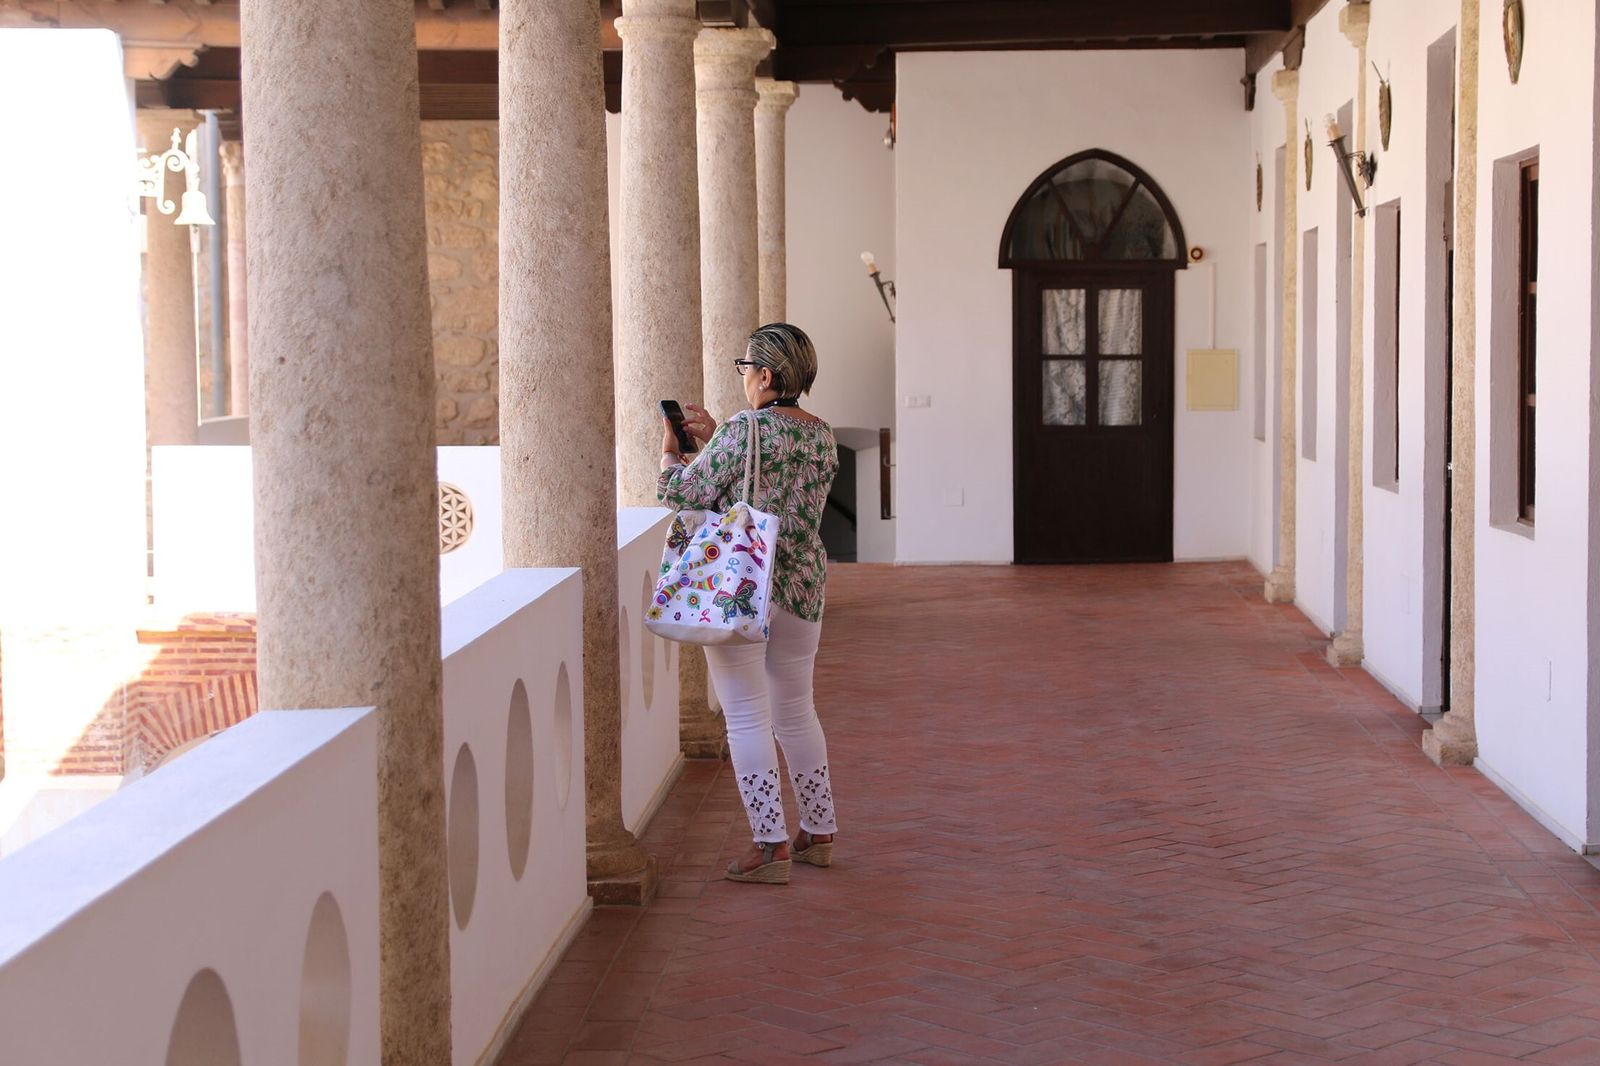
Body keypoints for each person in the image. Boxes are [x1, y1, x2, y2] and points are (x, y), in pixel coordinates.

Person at [657, 323, 840, 885]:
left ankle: (770, 845)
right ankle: (819, 831)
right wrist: (719, 438)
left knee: (744, 713)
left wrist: (671, 452)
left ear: (765, 374)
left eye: (745, 370)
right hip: (804, 584)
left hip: (744, 586)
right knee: (796, 709)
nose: (744, 380)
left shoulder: (744, 429)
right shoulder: (823, 434)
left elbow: (681, 493)